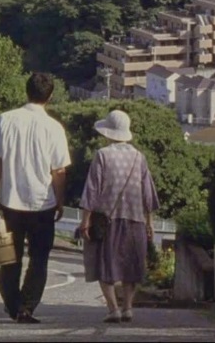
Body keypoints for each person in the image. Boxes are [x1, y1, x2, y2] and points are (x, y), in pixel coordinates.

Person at [0, 72, 71, 324]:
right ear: (50, 96)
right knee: (40, 258)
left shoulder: (5, 120)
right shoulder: (54, 128)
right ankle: (27, 306)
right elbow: (58, 170)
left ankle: (12, 304)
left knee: (9, 258)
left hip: (10, 198)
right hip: (41, 202)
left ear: (26, 91)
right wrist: (60, 199)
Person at [77, 109, 160, 323]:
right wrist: (149, 222)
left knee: (104, 264)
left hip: (108, 220)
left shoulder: (102, 155)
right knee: (132, 265)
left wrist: (85, 220)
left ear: (108, 132)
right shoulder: (138, 157)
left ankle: (113, 308)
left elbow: (92, 190)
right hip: (136, 220)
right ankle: (128, 307)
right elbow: (148, 193)